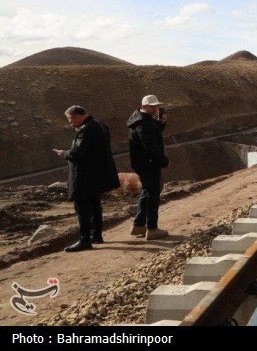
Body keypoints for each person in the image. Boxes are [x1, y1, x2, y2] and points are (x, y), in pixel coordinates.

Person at [53, 106, 120, 252]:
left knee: (82, 208)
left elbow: (76, 154)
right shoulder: (99, 125)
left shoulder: (86, 130)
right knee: (95, 205)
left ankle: (85, 240)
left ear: (78, 116)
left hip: (84, 177)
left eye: (71, 119)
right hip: (95, 175)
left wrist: (63, 153)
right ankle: (96, 235)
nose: (70, 123)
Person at [127, 95, 170, 240]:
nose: (155, 109)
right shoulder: (144, 124)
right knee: (153, 195)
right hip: (149, 164)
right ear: (144, 106)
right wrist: (163, 160)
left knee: (147, 192)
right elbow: (150, 146)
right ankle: (152, 228)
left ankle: (139, 225)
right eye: (152, 106)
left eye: (156, 106)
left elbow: (152, 134)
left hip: (143, 164)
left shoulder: (141, 120)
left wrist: (160, 124)